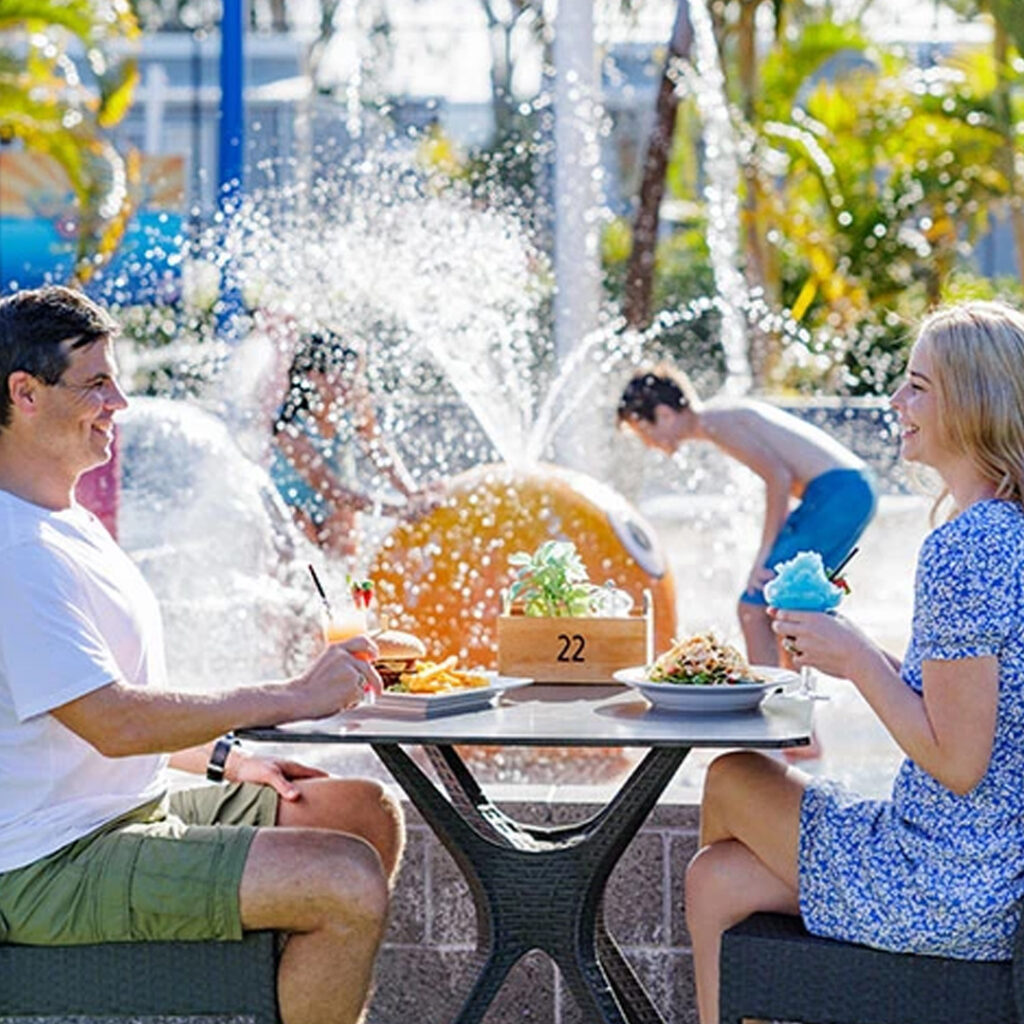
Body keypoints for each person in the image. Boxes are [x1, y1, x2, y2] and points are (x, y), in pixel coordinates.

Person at [0, 286, 403, 1024]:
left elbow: (98, 709)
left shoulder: (62, 517)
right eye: (95, 383)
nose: (119, 400)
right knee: (342, 879)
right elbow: (113, 722)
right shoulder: (13, 548)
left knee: (360, 813)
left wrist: (226, 759)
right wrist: (291, 695)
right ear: (23, 393)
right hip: (42, 862)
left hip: (122, 809)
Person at [683, 300, 1024, 1024]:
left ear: (971, 402)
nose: (896, 402)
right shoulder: (1006, 533)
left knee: (733, 776)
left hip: (945, 885)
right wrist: (851, 646)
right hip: (989, 874)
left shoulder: (967, 548)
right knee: (716, 882)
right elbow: (980, 704)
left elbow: (960, 763)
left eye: (917, 386)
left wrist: (859, 658)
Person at [617, 365, 877, 666]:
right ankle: (789, 694)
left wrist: (762, 555)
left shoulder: (715, 423)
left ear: (664, 414)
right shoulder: (719, 418)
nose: (649, 444)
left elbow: (778, 478)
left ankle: (766, 697)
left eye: (645, 433)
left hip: (838, 493)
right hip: (848, 490)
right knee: (788, 605)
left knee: (754, 607)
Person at [271, 332, 442, 562]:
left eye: (355, 374)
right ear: (314, 377)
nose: (352, 382)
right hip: (294, 503)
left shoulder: (353, 402)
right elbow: (333, 491)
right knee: (300, 541)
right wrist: (397, 511)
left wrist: (411, 493)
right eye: (344, 374)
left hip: (339, 501)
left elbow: (376, 447)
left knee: (344, 551)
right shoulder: (289, 430)